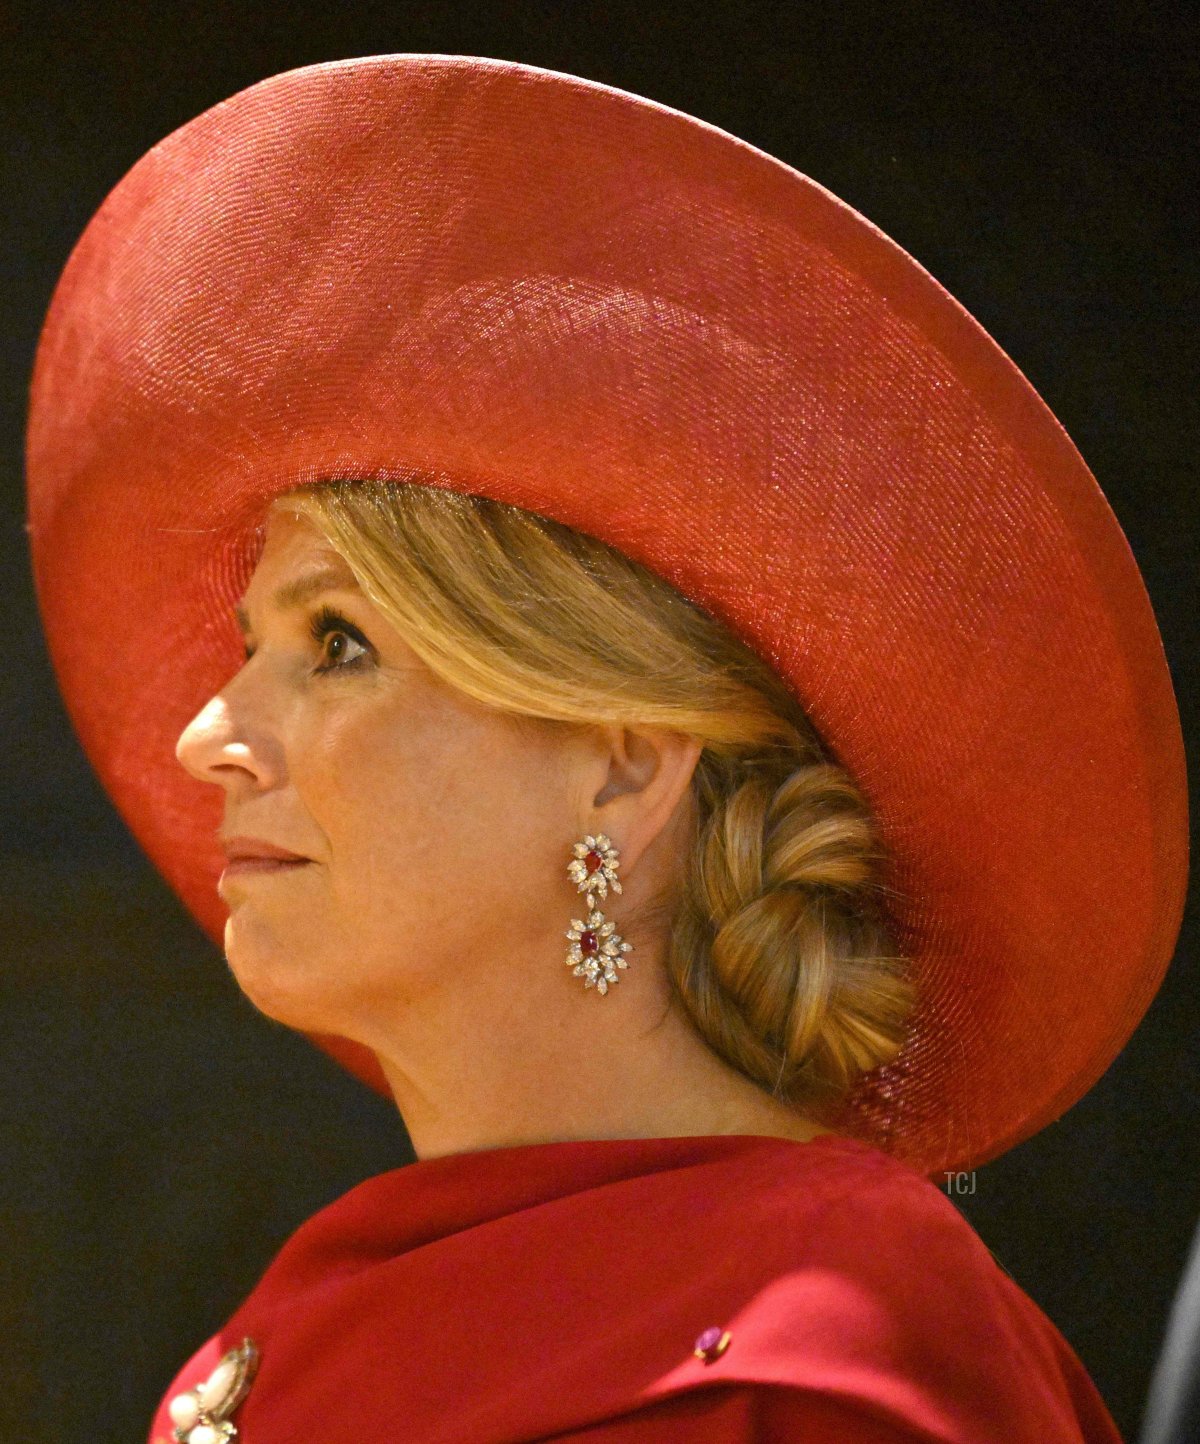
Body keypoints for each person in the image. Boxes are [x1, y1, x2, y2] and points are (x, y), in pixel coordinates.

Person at [23, 52, 1187, 1444]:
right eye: (247, 649)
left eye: (338, 643)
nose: (210, 734)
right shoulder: (289, 1333)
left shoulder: (833, 1351)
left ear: (630, 765)